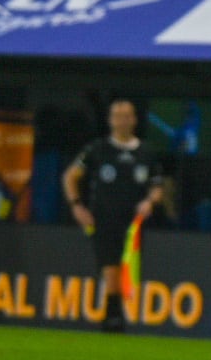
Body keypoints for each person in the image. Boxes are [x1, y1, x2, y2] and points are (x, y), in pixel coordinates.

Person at [61, 100, 166, 334]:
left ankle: (115, 314)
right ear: (110, 120)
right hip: (103, 218)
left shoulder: (146, 152)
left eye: (126, 116)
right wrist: (77, 206)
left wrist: (150, 202)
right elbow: (70, 176)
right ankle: (113, 317)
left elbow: (158, 186)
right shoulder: (97, 149)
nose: (122, 120)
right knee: (110, 267)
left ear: (135, 120)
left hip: (134, 224)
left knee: (125, 268)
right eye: (117, 116)